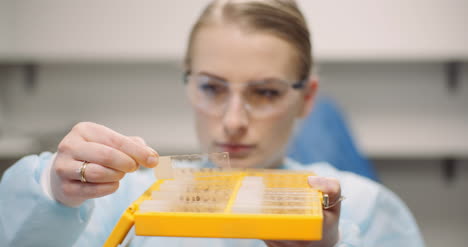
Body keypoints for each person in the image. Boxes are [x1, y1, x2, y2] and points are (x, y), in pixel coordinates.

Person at [0, 0, 424, 246]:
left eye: (266, 92)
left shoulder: (367, 209)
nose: (233, 121)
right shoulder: (122, 195)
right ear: (188, 84)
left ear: (306, 98)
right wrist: (52, 197)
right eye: (212, 88)